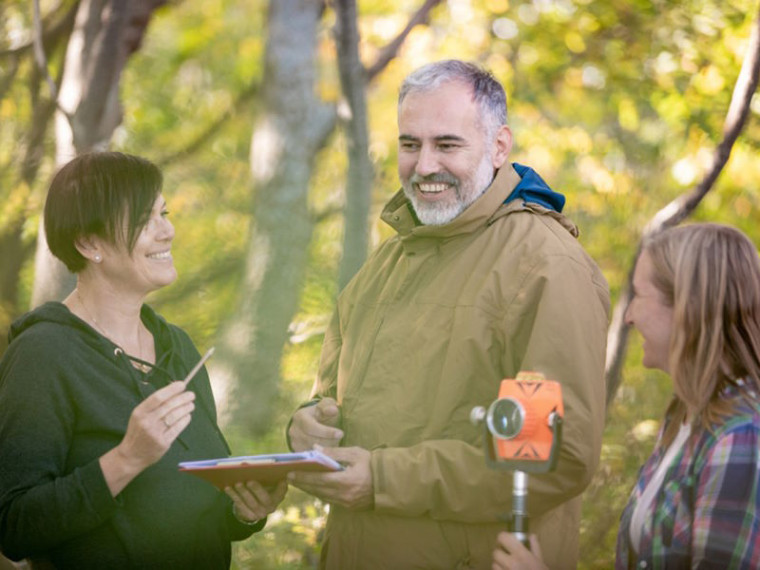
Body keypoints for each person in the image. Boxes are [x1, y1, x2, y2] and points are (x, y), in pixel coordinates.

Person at [286, 59, 611, 569]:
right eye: (410, 144)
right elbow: (332, 400)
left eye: (447, 144)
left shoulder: (541, 267)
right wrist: (306, 427)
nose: (424, 165)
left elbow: (548, 458)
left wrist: (382, 480)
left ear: (499, 146)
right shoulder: (385, 264)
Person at [0, 152, 287, 569]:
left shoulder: (177, 348)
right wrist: (126, 459)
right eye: (144, 218)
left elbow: (199, 505)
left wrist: (245, 509)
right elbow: (15, 526)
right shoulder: (43, 354)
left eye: (164, 213)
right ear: (88, 243)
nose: (167, 230)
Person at [493, 222, 760, 569]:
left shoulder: (740, 434)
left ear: (687, 308)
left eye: (639, 295)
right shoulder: (684, 417)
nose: (629, 315)